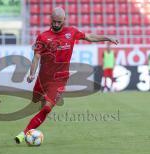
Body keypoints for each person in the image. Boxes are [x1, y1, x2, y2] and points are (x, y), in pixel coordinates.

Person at [15, 7, 119, 144]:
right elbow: (36, 56)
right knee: (39, 104)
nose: (56, 25)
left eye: (59, 22)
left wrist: (107, 37)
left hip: (60, 79)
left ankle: (24, 134)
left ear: (64, 20)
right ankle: (36, 124)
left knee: (47, 108)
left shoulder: (72, 32)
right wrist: (32, 74)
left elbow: (89, 37)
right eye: (54, 22)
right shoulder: (42, 37)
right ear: (50, 20)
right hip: (43, 78)